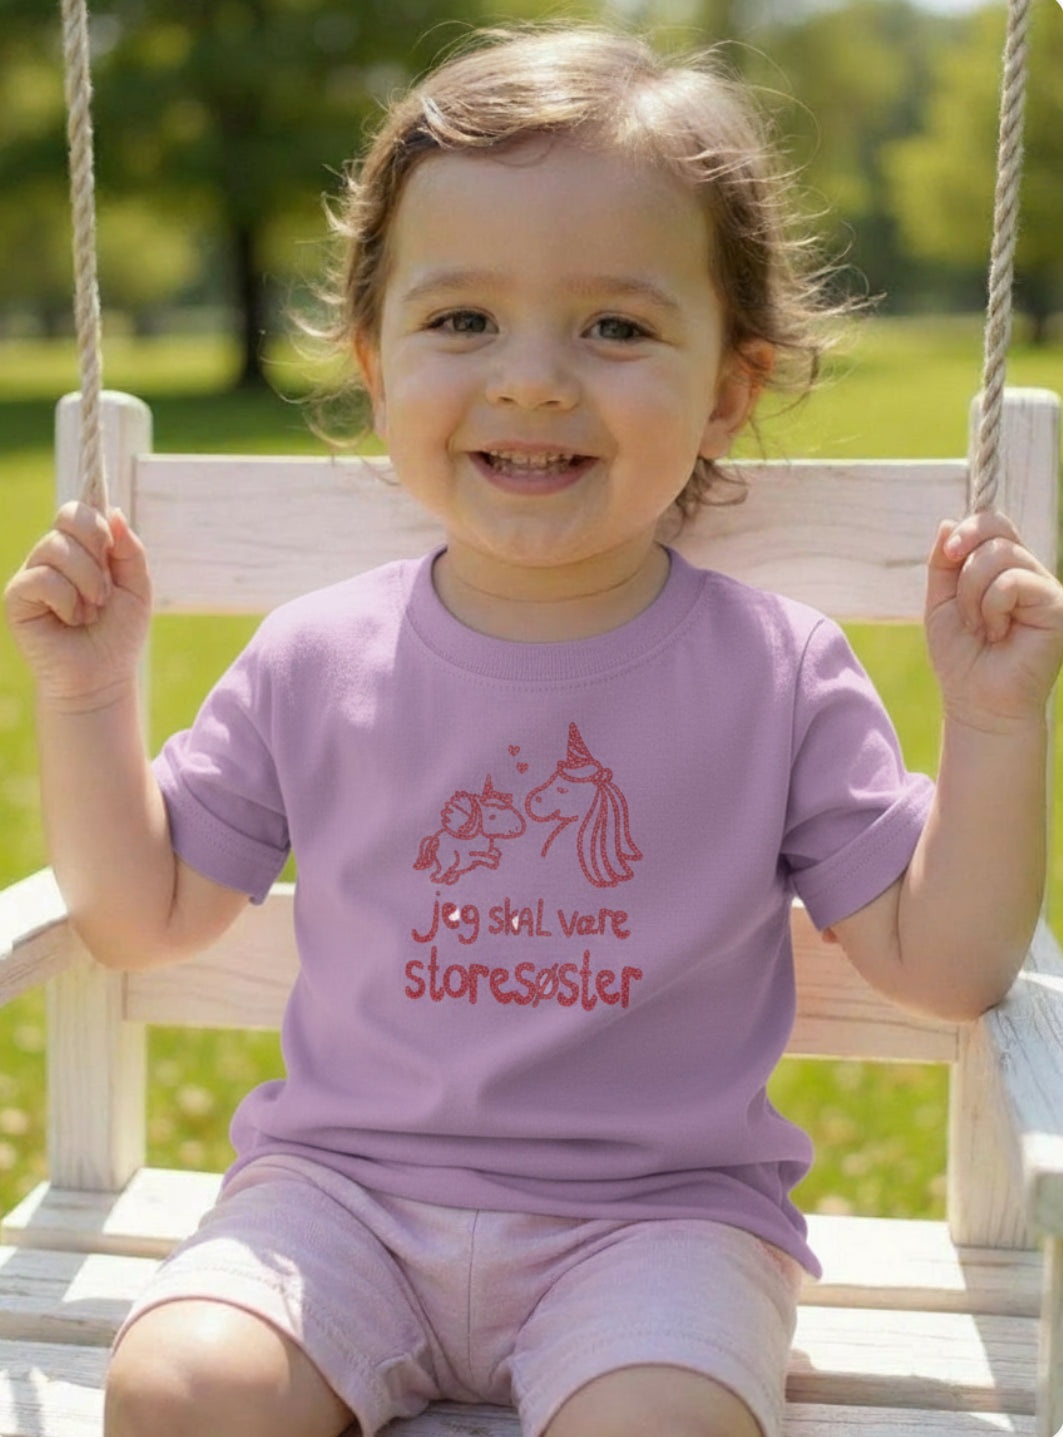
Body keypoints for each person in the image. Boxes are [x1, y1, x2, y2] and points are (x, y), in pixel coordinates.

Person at [6, 24, 1063, 1437]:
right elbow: (137, 918)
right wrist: (85, 696)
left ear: (729, 388)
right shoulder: (315, 658)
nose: (533, 380)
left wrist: (994, 724)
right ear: (375, 364)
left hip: (657, 1227)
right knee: (183, 1386)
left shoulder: (777, 673)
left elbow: (948, 961)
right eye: (462, 321)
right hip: (339, 1202)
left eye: (616, 326)